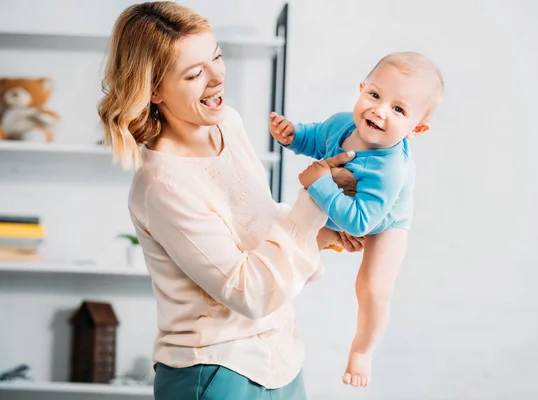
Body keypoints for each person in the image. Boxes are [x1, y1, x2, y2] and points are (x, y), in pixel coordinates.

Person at [97, 2, 362, 399]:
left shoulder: (228, 124)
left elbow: (254, 223)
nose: (217, 77)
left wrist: (321, 232)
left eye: (216, 56)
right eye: (194, 73)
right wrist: (312, 200)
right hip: (216, 372)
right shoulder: (162, 185)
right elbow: (249, 292)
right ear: (153, 89)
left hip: (281, 358)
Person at [270, 51, 445, 387]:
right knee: (293, 247)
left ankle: (363, 350)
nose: (379, 110)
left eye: (398, 109)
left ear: (417, 128)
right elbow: (317, 136)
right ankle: (280, 292)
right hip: (341, 205)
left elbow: (361, 223)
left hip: (383, 224)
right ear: (362, 88)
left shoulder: (389, 168)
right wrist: (293, 136)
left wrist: (319, 183)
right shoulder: (342, 123)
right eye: (375, 95)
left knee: (373, 288)